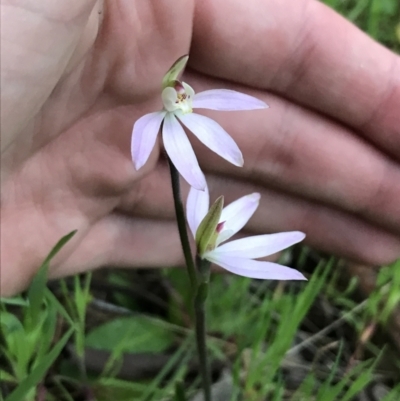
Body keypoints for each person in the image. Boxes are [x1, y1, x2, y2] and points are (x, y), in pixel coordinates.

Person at [1, 0, 400, 297]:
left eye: (181, 88)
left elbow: (225, 123)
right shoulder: (150, 124)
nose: (179, 91)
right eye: (173, 88)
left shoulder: (198, 110)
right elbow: (145, 150)